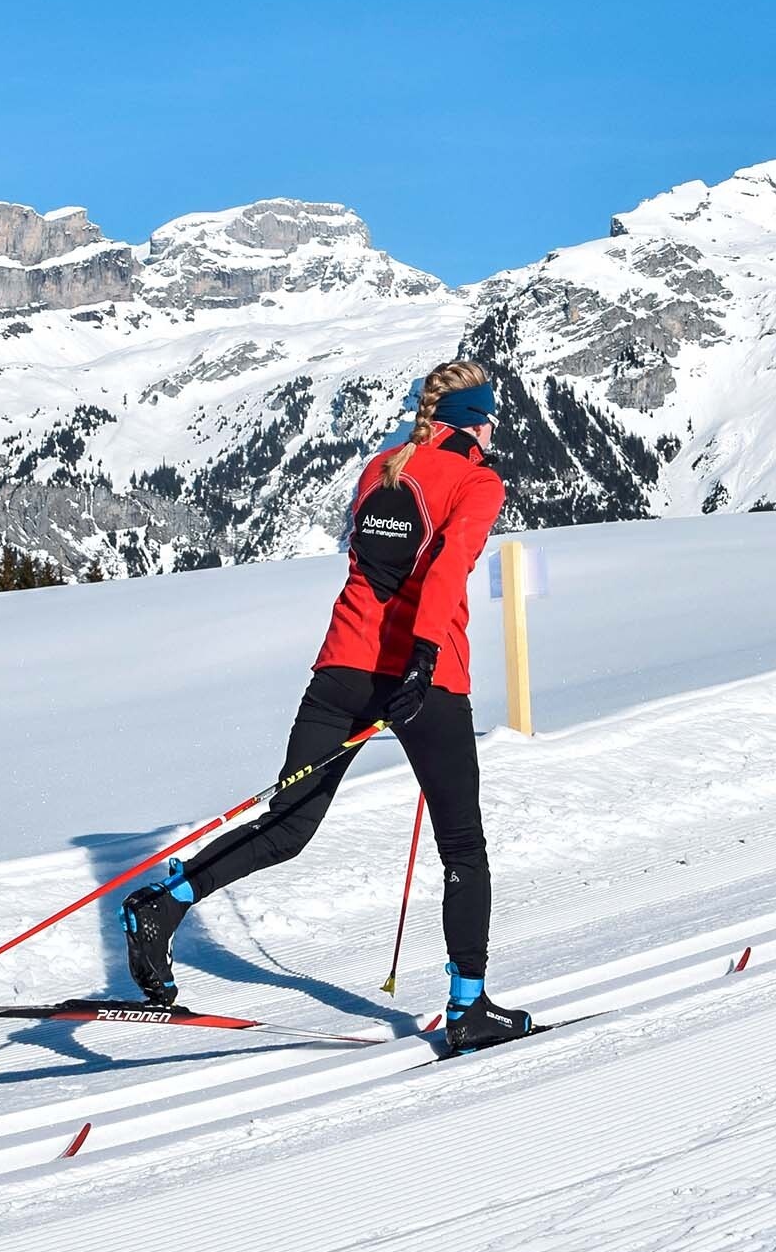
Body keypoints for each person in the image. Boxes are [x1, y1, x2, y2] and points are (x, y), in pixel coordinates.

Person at [120, 358, 532, 1053]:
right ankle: (469, 1008)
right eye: (490, 417)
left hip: (341, 666)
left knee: (287, 826)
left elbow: (370, 565)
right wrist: (425, 656)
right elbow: (445, 573)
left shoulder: (382, 470)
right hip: (423, 684)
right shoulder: (478, 480)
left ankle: (166, 902)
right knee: (462, 843)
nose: (495, 430)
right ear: (475, 422)